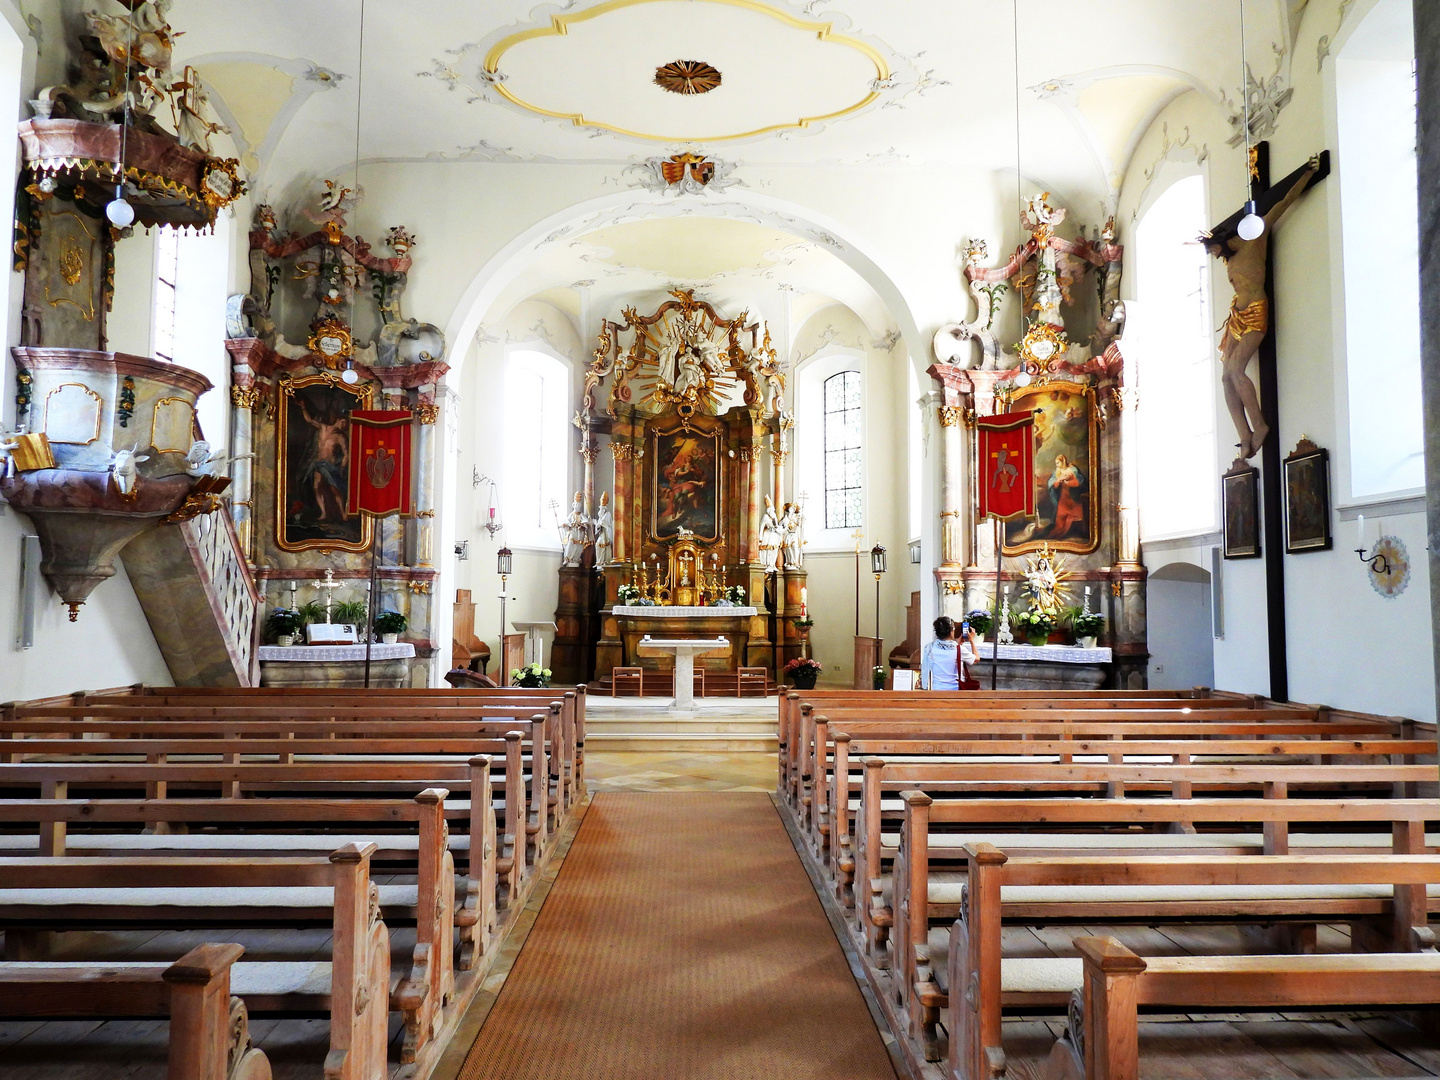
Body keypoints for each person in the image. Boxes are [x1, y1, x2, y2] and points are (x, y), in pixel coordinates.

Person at [1203, 154, 1322, 460]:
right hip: (1236, 316)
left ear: (1224, 239)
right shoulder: (1229, 259)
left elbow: (1282, 202)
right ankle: (1244, 434)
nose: (1216, 256)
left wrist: (1306, 173)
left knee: (1237, 370)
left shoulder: (1256, 238)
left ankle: (1260, 426)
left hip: (1255, 310)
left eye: (1215, 249)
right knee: (1225, 377)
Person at [920, 615, 979, 691]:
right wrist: (971, 640)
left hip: (937, 689)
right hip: (955, 690)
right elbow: (976, 659)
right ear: (951, 632)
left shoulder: (929, 648)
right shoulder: (959, 649)